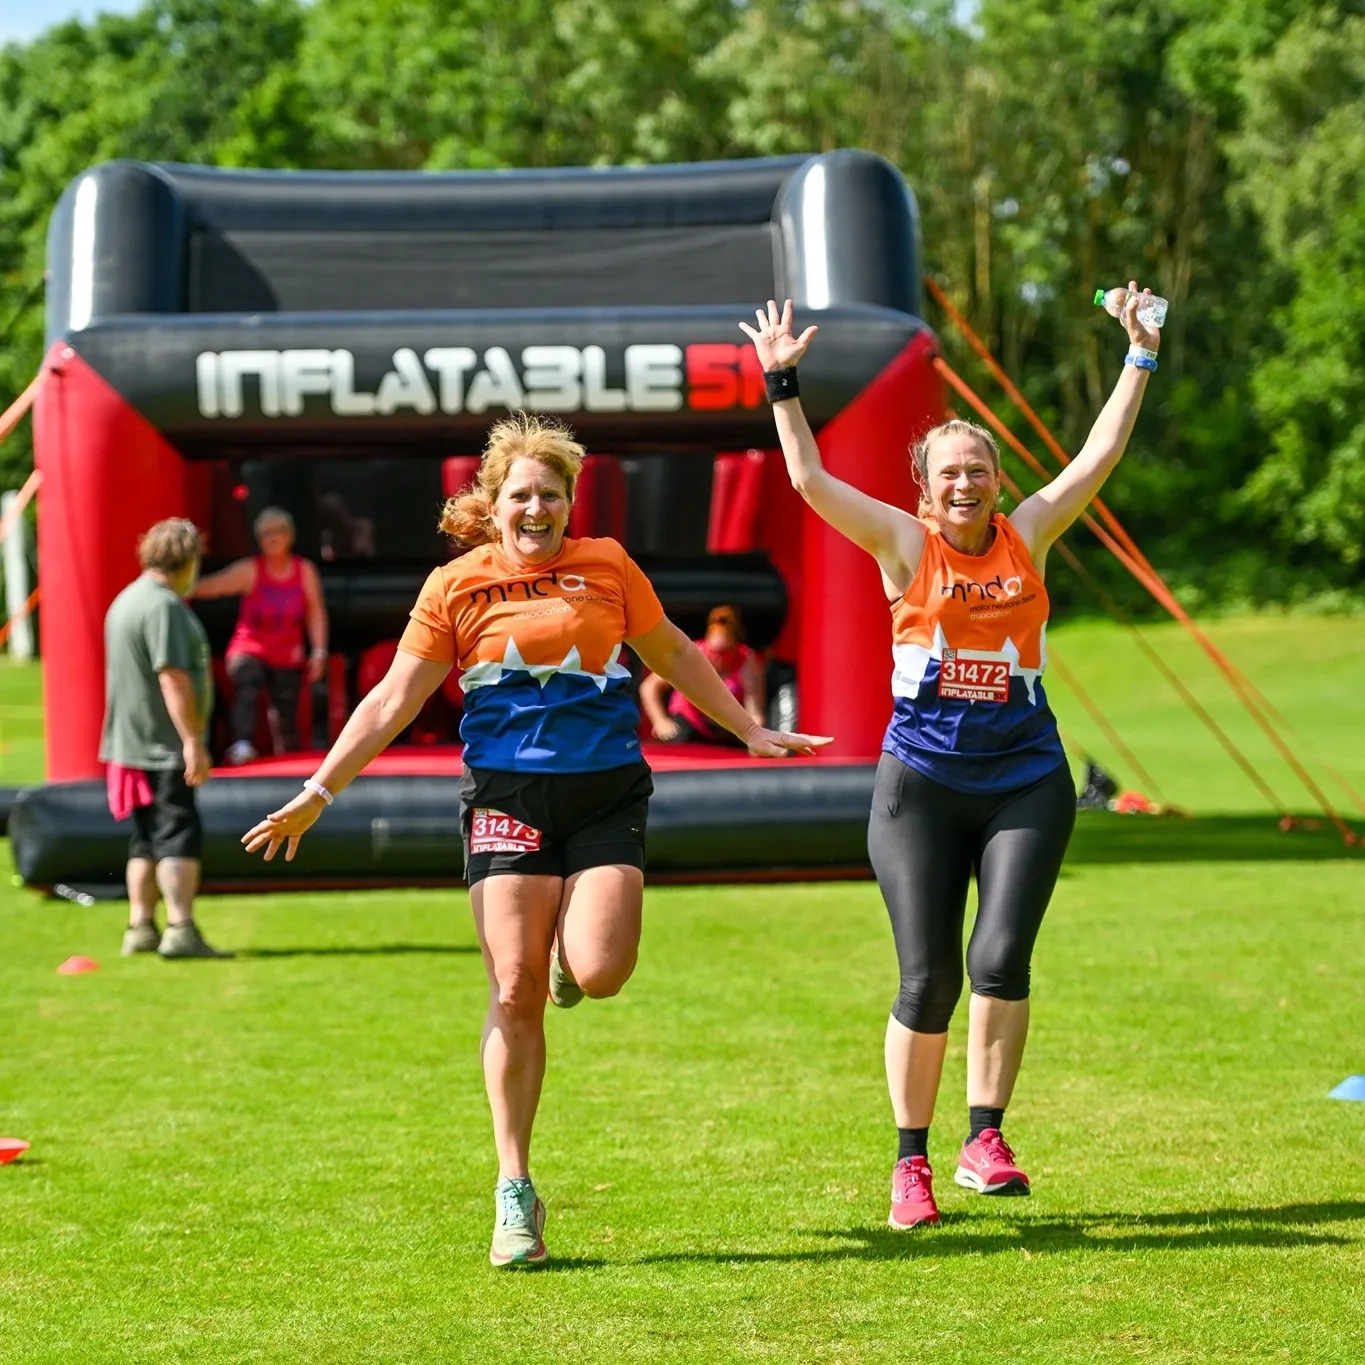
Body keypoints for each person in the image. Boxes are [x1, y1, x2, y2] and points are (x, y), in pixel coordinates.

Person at [239, 412, 828, 1267]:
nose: (536, 508)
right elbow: (389, 701)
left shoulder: (609, 566)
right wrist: (318, 789)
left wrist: (747, 728)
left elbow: (674, 654)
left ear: (568, 501)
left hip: (603, 798)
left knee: (601, 971)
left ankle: (568, 957)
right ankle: (514, 1189)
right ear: (494, 502)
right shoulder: (455, 586)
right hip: (505, 798)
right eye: (520, 494)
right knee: (511, 988)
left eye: (550, 494)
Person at [740, 287, 1160, 1229]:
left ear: (998, 483)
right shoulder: (902, 543)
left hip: (1024, 779)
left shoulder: (1032, 534)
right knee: (928, 975)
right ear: (924, 491)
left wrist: (1139, 353)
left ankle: (985, 1137)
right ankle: (910, 1162)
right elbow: (808, 481)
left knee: (1002, 956)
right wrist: (781, 379)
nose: (965, 484)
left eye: (978, 470)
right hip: (920, 785)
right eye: (948, 474)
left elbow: (1097, 457)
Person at [100, 518, 228, 960]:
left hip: (128, 745)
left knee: (144, 840)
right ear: (187, 559)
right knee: (178, 836)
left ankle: (139, 927)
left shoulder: (126, 600)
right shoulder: (165, 607)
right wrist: (192, 740)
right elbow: (172, 676)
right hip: (162, 747)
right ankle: (181, 927)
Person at [194, 507, 328, 763]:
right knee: (247, 686)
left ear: (290, 536)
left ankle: (287, 756)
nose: (273, 538)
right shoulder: (250, 570)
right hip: (250, 649)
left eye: (278, 532)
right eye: (266, 533)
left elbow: (316, 613)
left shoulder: (305, 571)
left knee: (285, 711)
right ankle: (242, 743)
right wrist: (181, 587)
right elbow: (216, 585)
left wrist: (319, 651)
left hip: (287, 653)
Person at [638, 604, 765, 745]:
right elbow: (649, 687)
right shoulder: (693, 654)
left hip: (726, 727)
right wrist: (660, 721)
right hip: (689, 723)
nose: (718, 659)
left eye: (724, 653)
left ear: (735, 647)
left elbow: (755, 711)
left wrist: (757, 735)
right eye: (714, 652)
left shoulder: (747, 662)